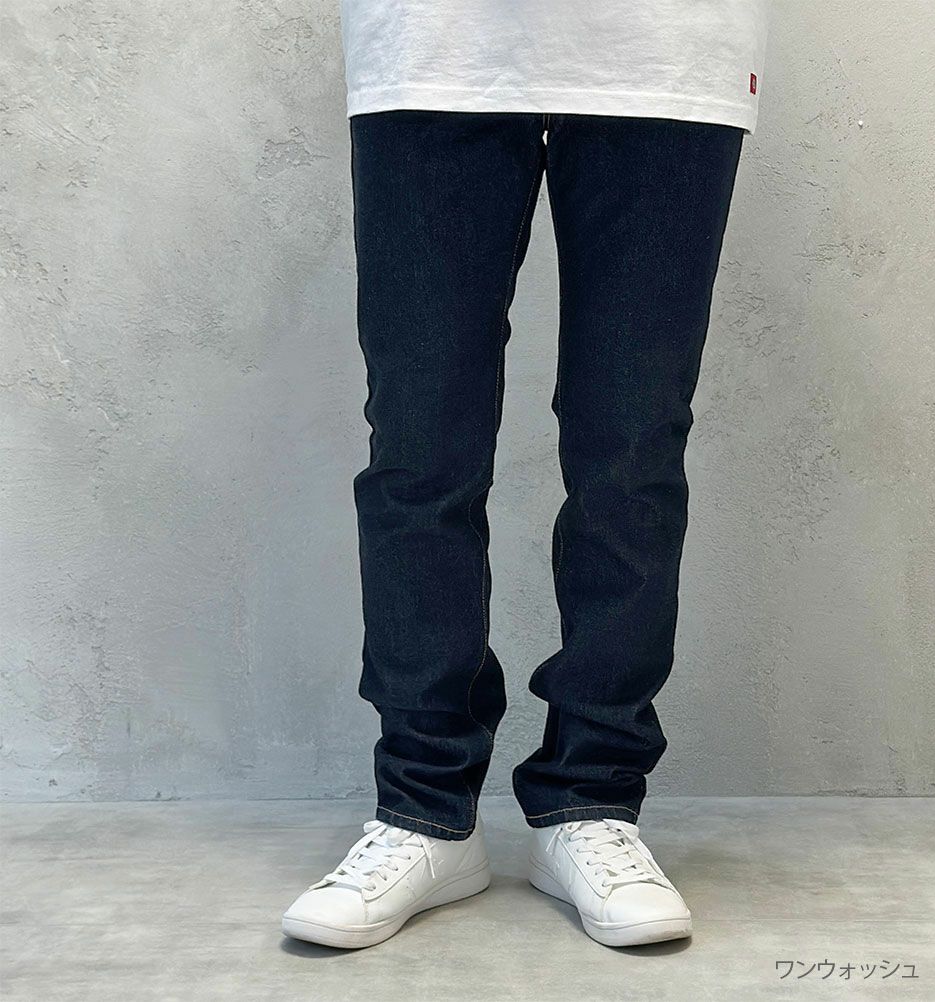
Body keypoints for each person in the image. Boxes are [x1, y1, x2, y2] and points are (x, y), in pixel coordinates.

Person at [283, 0, 769, 949]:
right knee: (420, 450)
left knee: (630, 450)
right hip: (432, 43)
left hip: (666, 48)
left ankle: (593, 803)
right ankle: (424, 811)